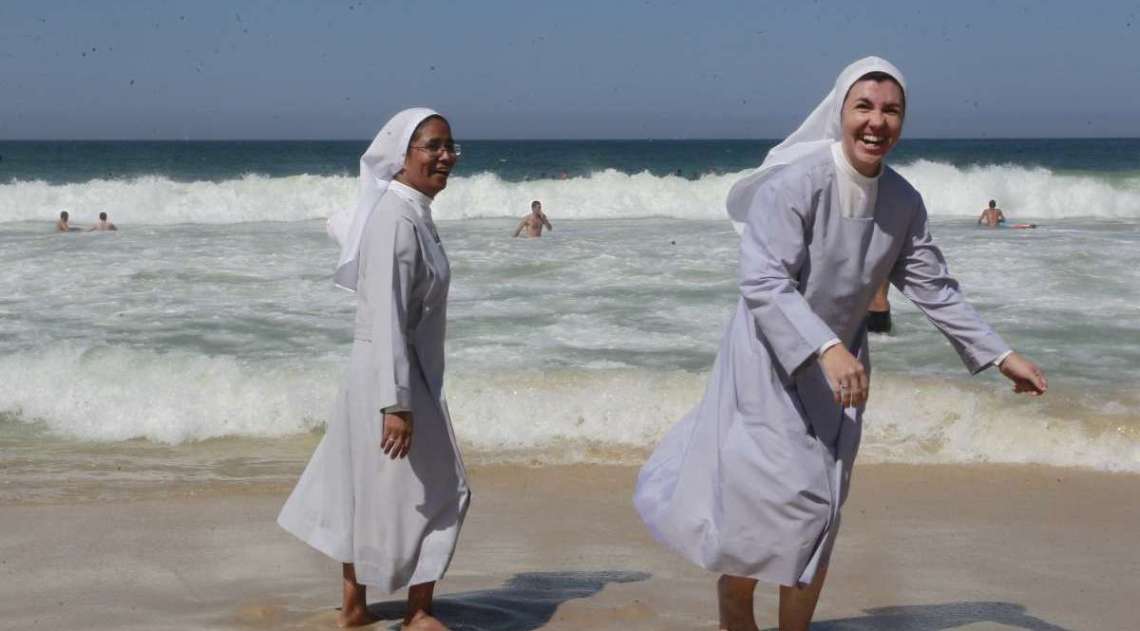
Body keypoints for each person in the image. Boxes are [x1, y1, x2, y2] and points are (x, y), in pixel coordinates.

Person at [633, 57, 1048, 631]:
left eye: (891, 110)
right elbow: (762, 280)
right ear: (840, 112)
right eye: (865, 107)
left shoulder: (903, 201)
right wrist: (824, 348)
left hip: (842, 369)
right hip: (767, 361)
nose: (877, 122)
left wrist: (1002, 356)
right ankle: (736, 618)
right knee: (768, 507)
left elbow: (935, 289)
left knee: (822, 510)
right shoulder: (796, 185)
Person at [278, 108, 469, 631]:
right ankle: (419, 614)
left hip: (387, 372)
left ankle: (355, 608)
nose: (446, 156)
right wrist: (397, 403)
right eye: (432, 146)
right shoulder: (395, 218)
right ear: (400, 155)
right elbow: (385, 314)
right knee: (444, 490)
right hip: (392, 376)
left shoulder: (408, 213)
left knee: (356, 485)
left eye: (451, 146)